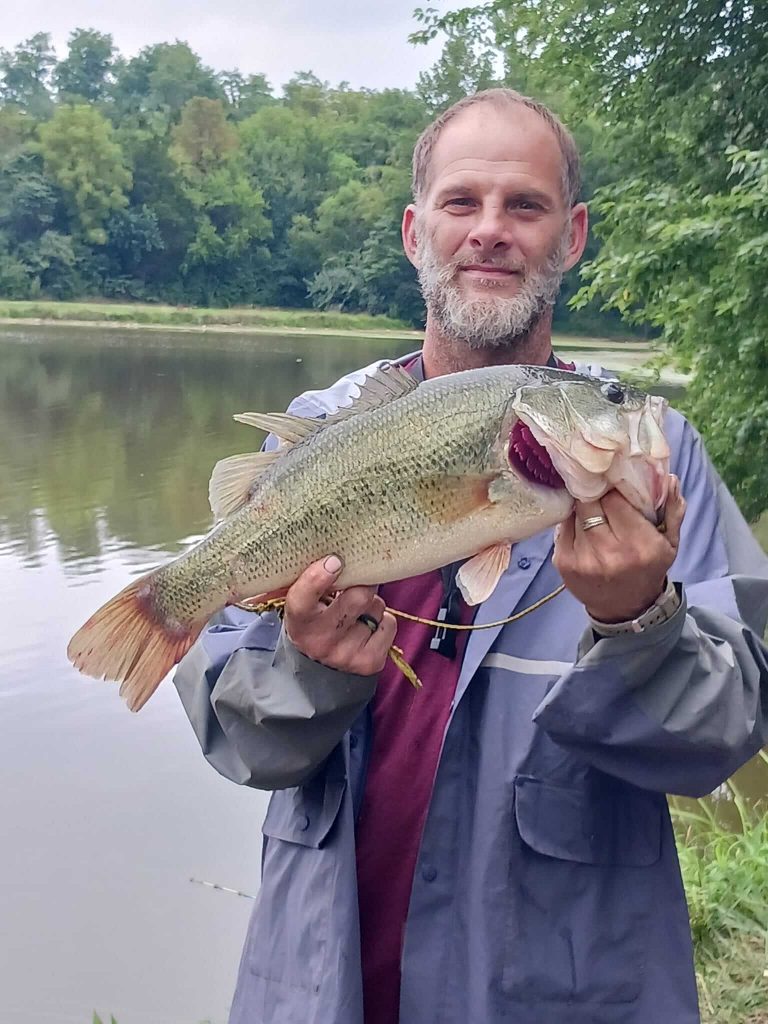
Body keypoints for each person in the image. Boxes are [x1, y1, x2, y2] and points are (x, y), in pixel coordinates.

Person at [173, 89, 768, 1024]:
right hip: (325, 984)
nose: (490, 230)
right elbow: (239, 739)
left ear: (571, 237)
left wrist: (640, 622)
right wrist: (307, 669)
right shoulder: (322, 442)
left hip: (561, 990)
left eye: (524, 206)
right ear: (416, 232)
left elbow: (724, 738)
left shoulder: (653, 456)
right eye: (462, 203)